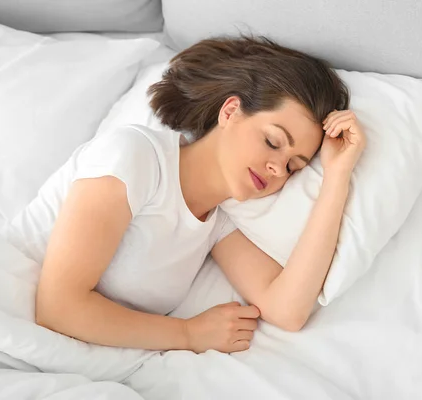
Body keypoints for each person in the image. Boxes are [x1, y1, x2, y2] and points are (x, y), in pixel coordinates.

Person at [24, 36, 366, 355]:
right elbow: (57, 307)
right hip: (8, 318)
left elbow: (288, 311)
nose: (278, 168)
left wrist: (337, 176)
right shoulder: (135, 157)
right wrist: (188, 334)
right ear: (230, 112)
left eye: (293, 166)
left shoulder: (217, 224)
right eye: (273, 142)